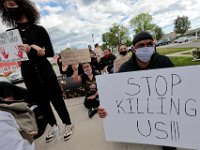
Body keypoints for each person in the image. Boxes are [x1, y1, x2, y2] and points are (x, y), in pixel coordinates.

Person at [0, 0, 73, 143]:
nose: (9, 9)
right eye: (5, 7)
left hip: (45, 70)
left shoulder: (39, 30)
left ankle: (68, 123)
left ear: (22, 6)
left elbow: (50, 52)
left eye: (11, 4)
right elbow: (11, 55)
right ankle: (53, 126)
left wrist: (33, 48)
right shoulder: (10, 35)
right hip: (28, 73)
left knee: (56, 99)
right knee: (41, 102)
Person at [98, 31, 176, 150]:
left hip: (163, 113)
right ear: (133, 49)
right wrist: (105, 110)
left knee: (169, 142)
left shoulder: (164, 62)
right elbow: (117, 95)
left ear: (154, 46)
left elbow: (177, 87)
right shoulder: (125, 69)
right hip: (140, 118)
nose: (146, 48)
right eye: (141, 45)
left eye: (149, 44)